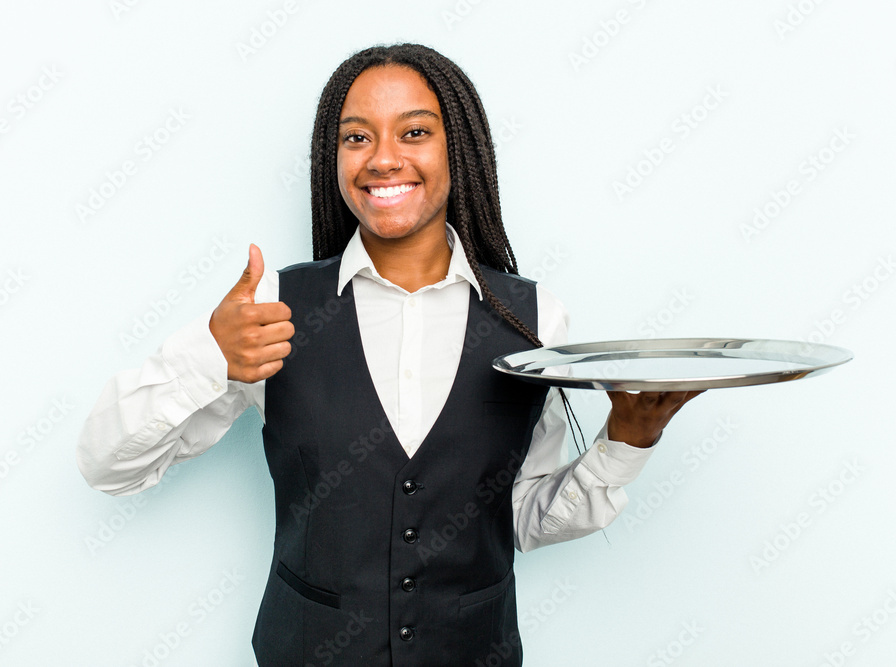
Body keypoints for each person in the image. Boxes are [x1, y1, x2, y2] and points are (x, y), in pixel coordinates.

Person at [76, 43, 702, 666]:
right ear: (335, 157)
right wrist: (211, 355)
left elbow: (523, 520)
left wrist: (626, 442)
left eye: (415, 132)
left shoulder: (532, 318)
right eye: (356, 138)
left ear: (459, 148)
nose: (383, 158)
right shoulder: (272, 307)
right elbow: (109, 467)